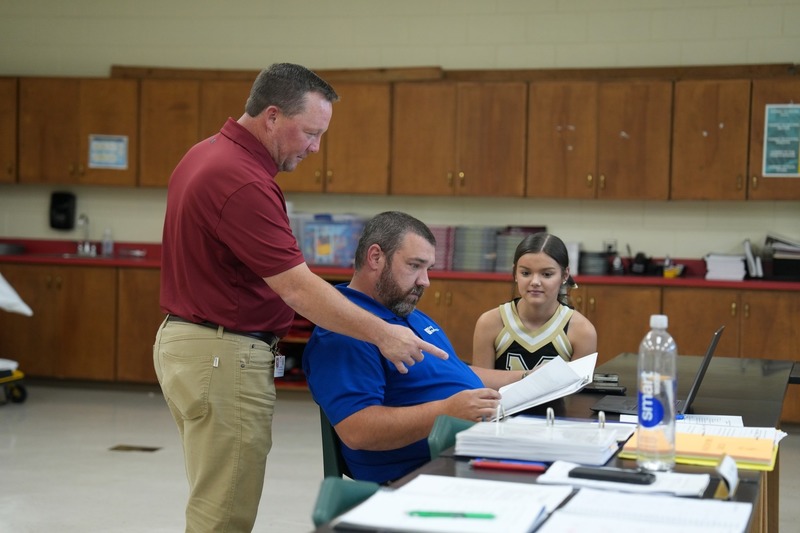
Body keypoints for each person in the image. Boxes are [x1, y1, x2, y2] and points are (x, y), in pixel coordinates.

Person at [153, 64, 447, 533]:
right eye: (310, 133)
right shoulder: (242, 179)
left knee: (214, 498)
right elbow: (296, 286)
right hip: (222, 354)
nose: (315, 147)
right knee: (224, 513)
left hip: (197, 345)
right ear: (272, 116)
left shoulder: (206, 153)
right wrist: (384, 334)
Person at [302, 211, 529, 484]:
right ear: (375, 257)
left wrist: (528, 378)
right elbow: (357, 430)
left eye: (428, 268)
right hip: (423, 475)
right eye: (414, 266)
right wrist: (446, 411)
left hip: (472, 451)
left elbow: (453, 372)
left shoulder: (404, 311)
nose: (425, 281)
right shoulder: (345, 331)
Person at [472, 232, 597, 372]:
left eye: (547, 274)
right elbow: (480, 382)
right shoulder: (489, 322)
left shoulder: (582, 331)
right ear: (515, 273)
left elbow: (579, 386)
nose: (535, 282)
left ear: (565, 275)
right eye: (526, 273)